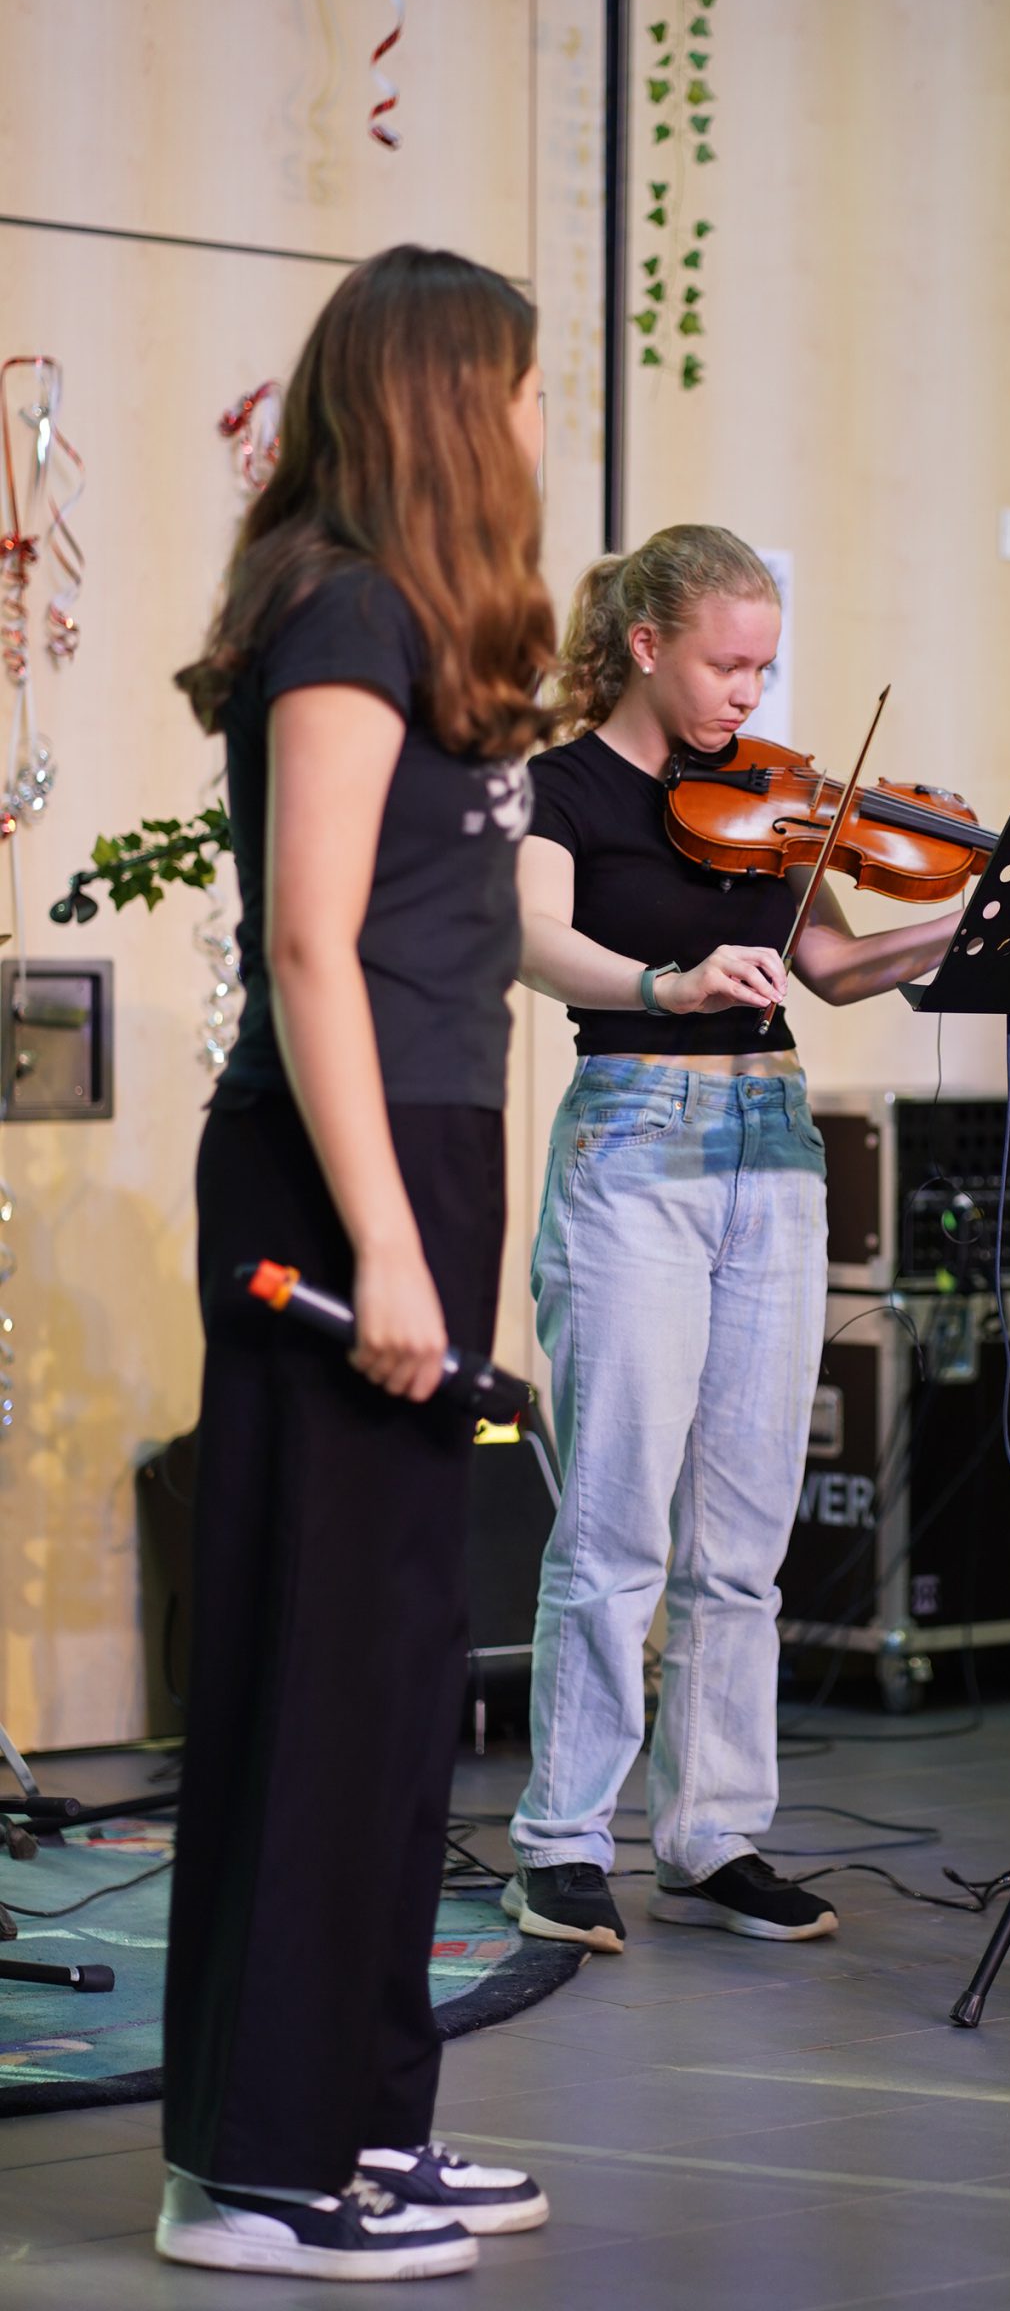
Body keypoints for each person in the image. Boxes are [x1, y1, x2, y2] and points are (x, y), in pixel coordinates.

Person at [159, 245, 557, 2281]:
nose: (542, 423)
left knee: (398, 1678)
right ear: (445, 401)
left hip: (422, 1152)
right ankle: (252, 2167)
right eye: (525, 387)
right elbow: (309, 942)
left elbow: (465, 916)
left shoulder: (422, 622)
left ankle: (364, 2117)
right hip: (336, 1176)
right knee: (319, 1672)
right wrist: (388, 1244)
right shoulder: (337, 606)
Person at [504, 525, 958, 1953]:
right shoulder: (561, 786)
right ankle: (562, 1840)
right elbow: (534, 940)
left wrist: (968, 921)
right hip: (636, 1142)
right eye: (727, 666)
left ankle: (711, 1838)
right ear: (647, 646)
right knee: (616, 1519)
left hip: (773, 1147)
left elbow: (836, 968)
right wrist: (668, 980)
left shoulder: (772, 795)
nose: (750, 695)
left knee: (745, 1533)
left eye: (765, 666)